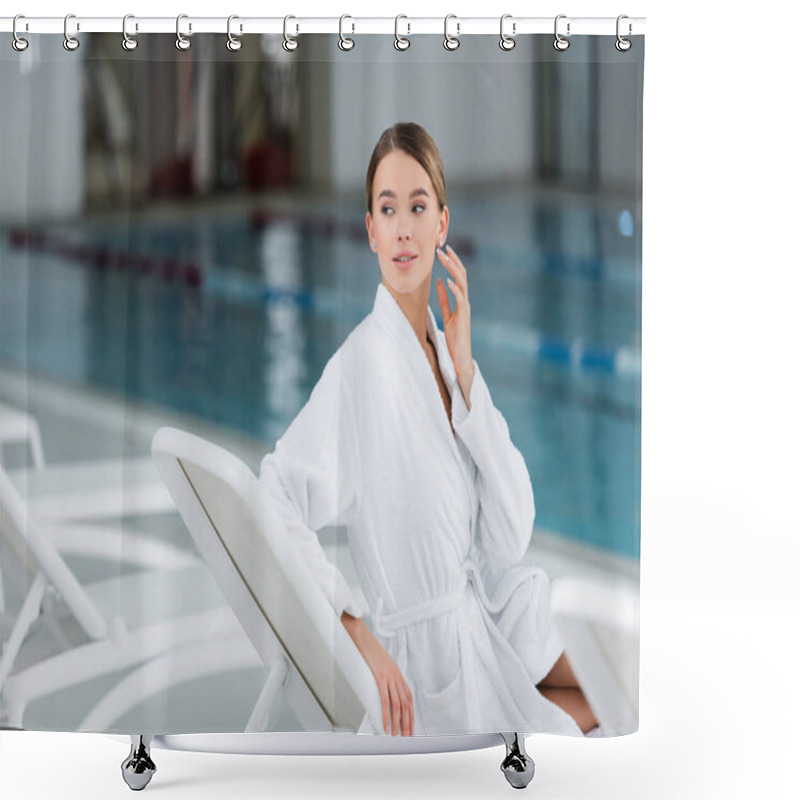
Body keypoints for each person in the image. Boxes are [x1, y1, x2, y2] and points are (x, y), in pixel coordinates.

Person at [259, 122, 597, 738]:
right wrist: (354, 626)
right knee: (590, 727)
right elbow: (274, 492)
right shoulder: (360, 366)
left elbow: (510, 534)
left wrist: (467, 376)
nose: (404, 229)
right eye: (388, 210)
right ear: (370, 231)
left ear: (443, 223)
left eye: (418, 206)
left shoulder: (445, 359)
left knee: (608, 697)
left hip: (483, 621)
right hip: (427, 670)